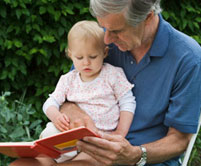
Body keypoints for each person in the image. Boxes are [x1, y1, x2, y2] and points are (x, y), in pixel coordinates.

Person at [10, 0, 201, 166]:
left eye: (117, 31)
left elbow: (179, 140)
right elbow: (69, 94)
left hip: (142, 159)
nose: (107, 40)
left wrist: (136, 154)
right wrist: (74, 114)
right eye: (104, 28)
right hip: (84, 145)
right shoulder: (100, 40)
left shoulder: (188, 58)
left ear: (148, 17)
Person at [41, 20, 136, 163]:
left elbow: (128, 102)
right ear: (70, 54)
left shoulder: (112, 74)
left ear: (104, 53)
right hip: (68, 134)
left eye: (93, 57)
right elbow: (50, 102)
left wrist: (120, 132)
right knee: (48, 136)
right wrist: (55, 116)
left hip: (98, 139)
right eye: (79, 58)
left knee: (89, 161)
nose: (86, 62)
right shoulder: (68, 80)